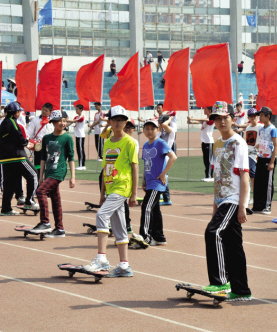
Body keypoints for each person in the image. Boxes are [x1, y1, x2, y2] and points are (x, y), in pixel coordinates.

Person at [202, 101, 252, 302]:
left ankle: (220, 282)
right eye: (217, 118)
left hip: (233, 200)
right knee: (233, 246)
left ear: (233, 118)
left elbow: (245, 176)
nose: (221, 121)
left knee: (212, 232)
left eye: (225, 117)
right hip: (222, 200)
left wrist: (243, 205)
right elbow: (218, 177)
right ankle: (241, 290)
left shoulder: (238, 142)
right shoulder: (217, 143)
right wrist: (215, 205)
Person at [83, 106, 139, 277]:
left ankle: (101, 258)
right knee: (120, 227)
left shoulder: (130, 142)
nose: (119, 122)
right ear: (110, 121)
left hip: (122, 187)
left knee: (101, 215)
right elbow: (105, 168)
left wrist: (134, 193)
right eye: (115, 119)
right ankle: (124, 265)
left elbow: (135, 167)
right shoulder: (107, 142)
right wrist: (102, 193)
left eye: (122, 119)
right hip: (110, 187)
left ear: (126, 122)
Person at [30, 110, 75, 237]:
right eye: (60, 120)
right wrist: (41, 176)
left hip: (59, 171)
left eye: (64, 121)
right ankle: (59, 229)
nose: (63, 123)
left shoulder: (67, 138)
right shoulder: (46, 138)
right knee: (55, 200)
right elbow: (43, 157)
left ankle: (45, 222)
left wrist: (73, 177)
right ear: (53, 122)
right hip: (48, 172)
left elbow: (71, 158)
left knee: (40, 192)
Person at [133, 118, 177, 249]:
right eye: (147, 129)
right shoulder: (146, 145)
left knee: (146, 207)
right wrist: (143, 179)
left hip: (157, 183)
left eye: (153, 128)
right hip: (149, 181)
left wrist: (163, 174)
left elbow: (173, 157)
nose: (150, 131)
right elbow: (146, 164)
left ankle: (144, 238)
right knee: (155, 210)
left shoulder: (160, 143)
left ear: (158, 130)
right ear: (144, 131)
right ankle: (159, 237)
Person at [0, 102, 39, 215]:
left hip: (5, 158)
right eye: (19, 111)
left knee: (9, 183)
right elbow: (18, 137)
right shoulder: (12, 122)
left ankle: (6, 208)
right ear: (16, 113)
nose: (20, 113)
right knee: (33, 174)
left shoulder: (3, 123)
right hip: (17, 156)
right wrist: (28, 143)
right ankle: (29, 201)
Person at [253, 107, 277, 214]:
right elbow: (263, 142)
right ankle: (258, 205)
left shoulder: (273, 129)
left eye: (262, 115)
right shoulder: (261, 129)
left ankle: (268, 206)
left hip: (269, 159)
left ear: (268, 116)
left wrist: (272, 162)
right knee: (258, 182)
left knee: (268, 184)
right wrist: (257, 147)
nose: (260, 117)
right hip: (261, 158)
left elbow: (276, 146)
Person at [236, 108, 261, 205]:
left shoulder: (260, 127)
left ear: (257, 116)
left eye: (254, 116)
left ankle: (254, 197)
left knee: (252, 176)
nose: (253, 117)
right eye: (251, 116)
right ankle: (248, 196)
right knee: (247, 175)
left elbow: (263, 139)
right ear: (248, 117)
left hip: (255, 154)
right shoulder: (248, 127)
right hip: (248, 153)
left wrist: (257, 147)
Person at [27, 103, 54, 182]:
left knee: (49, 167)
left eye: (46, 110)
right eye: (43, 109)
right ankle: (37, 186)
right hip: (38, 147)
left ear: (50, 112)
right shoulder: (35, 120)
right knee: (38, 167)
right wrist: (29, 142)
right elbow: (29, 133)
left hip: (50, 147)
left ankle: (47, 187)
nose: (44, 112)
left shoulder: (53, 121)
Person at [188, 107, 214, 182]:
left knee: (209, 160)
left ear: (209, 110)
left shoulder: (211, 118)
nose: (204, 110)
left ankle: (210, 176)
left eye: (206, 109)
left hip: (209, 142)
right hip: (204, 142)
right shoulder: (205, 120)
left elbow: (204, 120)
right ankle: (207, 176)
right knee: (205, 160)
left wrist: (193, 118)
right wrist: (190, 121)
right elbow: (199, 122)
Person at [66, 104, 86, 170]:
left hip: (80, 135)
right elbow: (70, 123)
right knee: (78, 150)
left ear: (81, 110)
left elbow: (73, 121)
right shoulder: (76, 117)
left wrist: (64, 119)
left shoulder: (82, 117)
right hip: (77, 135)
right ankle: (81, 164)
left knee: (80, 150)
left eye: (77, 109)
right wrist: (64, 125)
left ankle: (82, 165)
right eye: (76, 109)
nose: (76, 110)